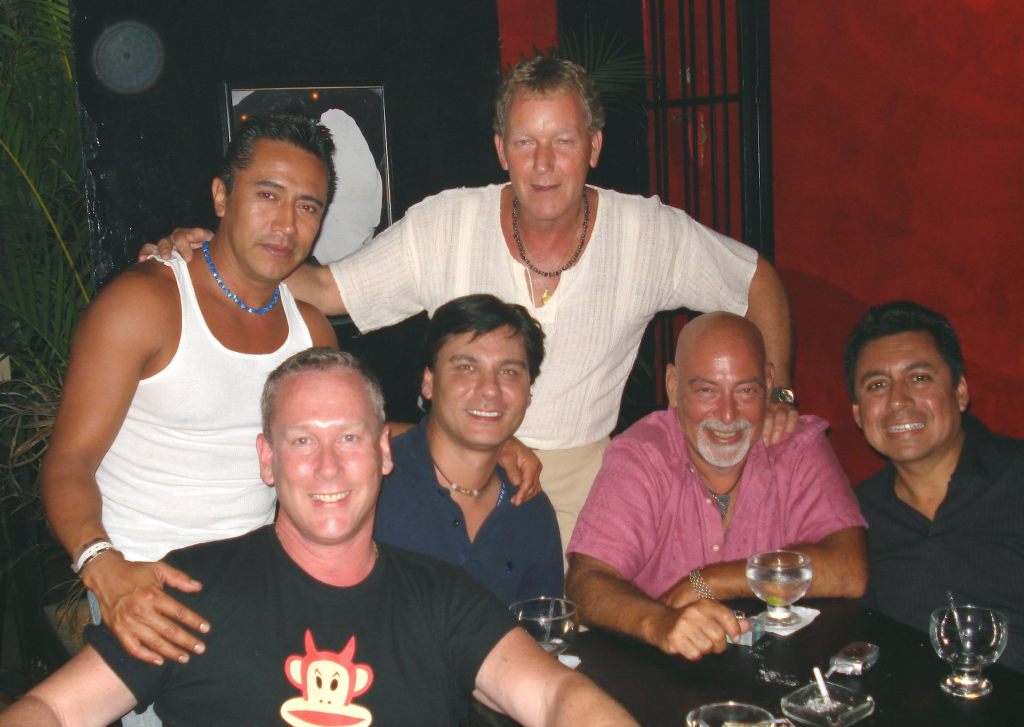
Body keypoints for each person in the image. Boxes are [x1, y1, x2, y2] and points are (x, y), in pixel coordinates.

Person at [147, 57, 798, 554]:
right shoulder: (447, 224)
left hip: (585, 485)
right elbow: (324, 290)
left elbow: (756, 281)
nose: (544, 164)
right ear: (500, 149)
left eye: (564, 141)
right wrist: (215, 252)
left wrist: (777, 391)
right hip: (453, 473)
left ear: (594, 147)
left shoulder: (648, 233)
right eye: (525, 142)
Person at [0, 350, 639, 727]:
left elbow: (556, 696)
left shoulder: (443, 598)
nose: (327, 467)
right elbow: (54, 711)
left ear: (385, 453)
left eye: (350, 438)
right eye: (303, 440)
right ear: (267, 460)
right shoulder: (189, 590)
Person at [39, 113, 339, 685]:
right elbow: (69, 460)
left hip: (260, 588)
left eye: (308, 206)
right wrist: (102, 567)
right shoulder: (144, 303)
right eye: (268, 195)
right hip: (145, 588)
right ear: (221, 196)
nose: (286, 224)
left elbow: (346, 449)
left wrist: (479, 445)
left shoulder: (312, 333)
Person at [565, 312, 867, 659]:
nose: (727, 415)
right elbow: (585, 583)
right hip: (660, 669)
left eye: (746, 390)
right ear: (673, 386)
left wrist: (711, 581)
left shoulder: (796, 446)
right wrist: (661, 623)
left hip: (780, 665)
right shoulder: (643, 455)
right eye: (707, 391)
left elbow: (850, 570)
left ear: (769, 383)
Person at [844, 300, 1024, 672]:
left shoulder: (1015, 477)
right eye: (878, 385)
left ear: (960, 391)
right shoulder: (853, 517)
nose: (898, 400)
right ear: (859, 415)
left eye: (919, 378)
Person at [375, 294, 563, 603]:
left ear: (529, 393)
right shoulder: (374, 483)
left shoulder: (530, 511)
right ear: (428, 382)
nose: (489, 389)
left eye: (508, 372)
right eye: (466, 367)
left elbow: (540, 628)